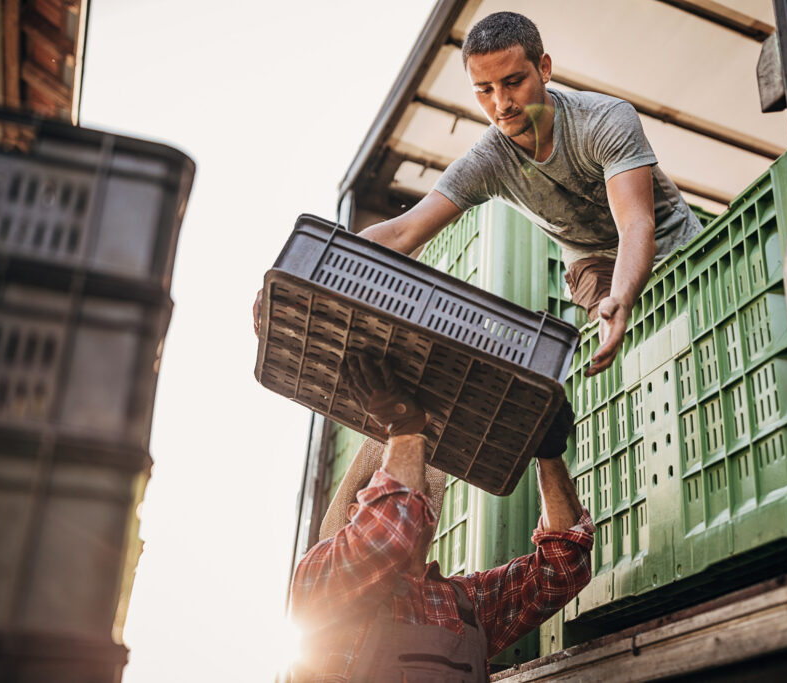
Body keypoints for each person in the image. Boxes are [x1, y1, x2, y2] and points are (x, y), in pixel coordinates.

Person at [253, 11, 703, 376]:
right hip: (591, 261)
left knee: (692, 328)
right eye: (483, 90)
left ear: (544, 68)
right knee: (632, 353)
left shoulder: (604, 120)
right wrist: (296, 275)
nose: (501, 104)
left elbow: (636, 223)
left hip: (668, 240)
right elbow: (402, 233)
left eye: (513, 82)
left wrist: (624, 297)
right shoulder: (488, 160)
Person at [288, 354, 592, 682]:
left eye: (421, 495)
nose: (415, 500)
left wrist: (548, 455)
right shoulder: (321, 575)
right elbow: (388, 534)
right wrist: (403, 431)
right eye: (402, 486)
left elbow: (563, 567)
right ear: (352, 513)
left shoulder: (466, 603)